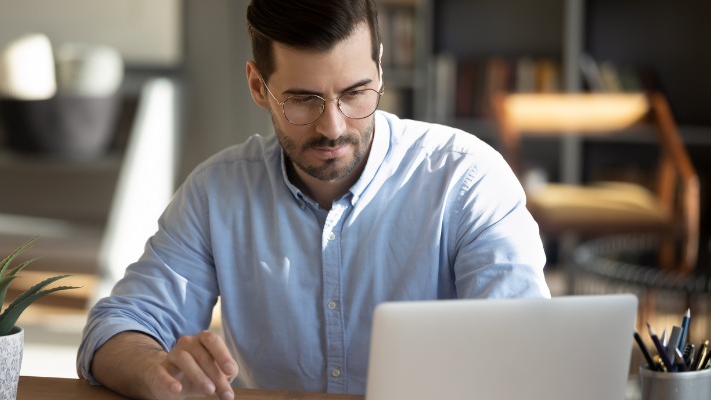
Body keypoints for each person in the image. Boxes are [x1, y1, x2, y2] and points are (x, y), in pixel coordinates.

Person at [77, 1, 550, 399]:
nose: (334, 126)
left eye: (356, 93)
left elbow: (529, 350)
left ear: (379, 69)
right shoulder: (216, 192)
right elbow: (114, 327)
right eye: (304, 100)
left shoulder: (467, 179)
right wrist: (157, 371)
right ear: (258, 87)